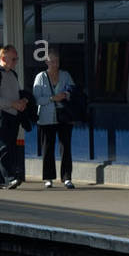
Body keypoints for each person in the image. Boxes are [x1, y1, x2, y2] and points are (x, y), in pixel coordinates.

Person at [0, 45, 27, 190]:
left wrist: (22, 101)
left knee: (8, 146)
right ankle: (9, 178)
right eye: (13, 59)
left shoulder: (12, 74)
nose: (16, 62)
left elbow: (15, 93)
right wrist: (13, 104)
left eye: (16, 59)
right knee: (3, 147)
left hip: (12, 114)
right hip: (0, 114)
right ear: (3, 58)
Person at [33, 49, 75, 189]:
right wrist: (52, 98)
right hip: (46, 119)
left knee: (66, 147)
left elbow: (73, 91)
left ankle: (67, 178)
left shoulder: (65, 75)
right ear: (46, 62)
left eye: (57, 61)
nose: (55, 64)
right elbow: (37, 98)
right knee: (48, 148)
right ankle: (48, 178)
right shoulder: (40, 77)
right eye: (52, 61)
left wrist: (66, 95)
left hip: (64, 117)